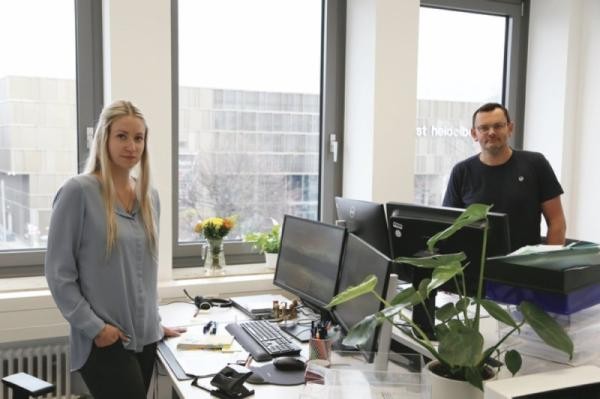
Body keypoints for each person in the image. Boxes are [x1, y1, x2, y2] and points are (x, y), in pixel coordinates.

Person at [45, 100, 185, 398]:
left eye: (138, 138)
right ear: (104, 138)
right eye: (122, 136)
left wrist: (155, 324)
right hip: (104, 340)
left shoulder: (150, 197)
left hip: (146, 337)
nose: (131, 146)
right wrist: (96, 328)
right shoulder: (78, 192)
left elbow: (144, 274)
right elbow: (59, 275)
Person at [443, 102, 566, 251]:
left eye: (498, 126)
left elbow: (556, 221)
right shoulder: (461, 172)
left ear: (510, 128)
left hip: (525, 267)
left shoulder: (536, 164)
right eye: (484, 128)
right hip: (477, 269)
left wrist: (550, 264)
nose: (491, 132)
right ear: (474, 134)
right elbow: (448, 227)